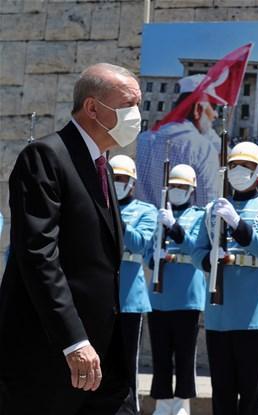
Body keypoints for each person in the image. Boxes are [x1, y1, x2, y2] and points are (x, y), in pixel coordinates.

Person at [0, 63, 141, 414]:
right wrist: (74, 341)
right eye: (128, 105)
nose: (136, 116)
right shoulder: (46, 157)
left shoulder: (103, 166)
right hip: (54, 356)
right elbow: (39, 256)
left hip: (103, 354)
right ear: (92, 108)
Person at [192, 141, 258, 415]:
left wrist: (237, 224)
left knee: (252, 395)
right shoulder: (212, 209)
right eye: (235, 165)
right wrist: (207, 260)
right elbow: (198, 250)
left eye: (247, 166)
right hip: (219, 312)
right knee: (222, 393)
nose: (240, 171)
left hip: (254, 314)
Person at [146, 164, 206, 415]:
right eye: (174, 186)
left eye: (182, 187)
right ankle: (162, 402)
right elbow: (148, 253)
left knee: (184, 354)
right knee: (160, 353)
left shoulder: (199, 216)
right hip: (159, 295)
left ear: (191, 190)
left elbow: (195, 247)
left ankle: (182, 403)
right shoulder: (160, 215)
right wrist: (155, 256)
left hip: (187, 295)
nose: (177, 190)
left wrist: (175, 227)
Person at [109, 155, 158, 414]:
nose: (117, 183)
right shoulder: (98, 207)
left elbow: (139, 243)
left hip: (129, 299)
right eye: (113, 178)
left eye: (122, 179)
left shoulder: (145, 211)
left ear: (132, 183)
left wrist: (116, 217)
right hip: (101, 298)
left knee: (128, 366)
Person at [136, 74, 220, 208]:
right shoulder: (202, 149)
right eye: (214, 107)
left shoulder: (142, 139)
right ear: (198, 109)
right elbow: (207, 208)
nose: (216, 114)